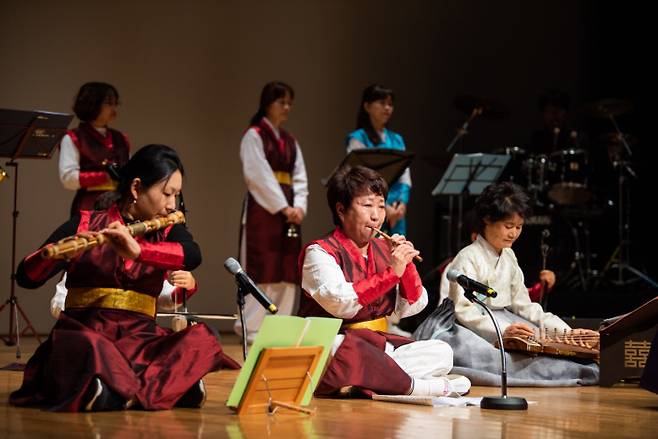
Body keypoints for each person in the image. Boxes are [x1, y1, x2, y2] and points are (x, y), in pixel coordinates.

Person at [10, 144, 239, 412]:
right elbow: (27, 277)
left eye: (176, 195)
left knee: (203, 338)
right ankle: (166, 388)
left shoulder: (167, 230)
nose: (171, 205)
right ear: (136, 188)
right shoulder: (85, 223)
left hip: (142, 339)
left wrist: (140, 250)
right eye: (166, 194)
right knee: (87, 348)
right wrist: (61, 253)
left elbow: (192, 255)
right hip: (88, 331)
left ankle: (113, 393)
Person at [298, 165, 467, 398]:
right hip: (336, 344)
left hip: (377, 345)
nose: (376, 215)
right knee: (343, 349)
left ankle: (371, 380)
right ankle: (416, 386)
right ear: (341, 210)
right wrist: (391, 273)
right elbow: (341, 304)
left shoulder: (383, 249)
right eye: (367, 205)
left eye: (380, 205)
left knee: (442, 351)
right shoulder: (319, 252)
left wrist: (405, 268)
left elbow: (412, 307)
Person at [414, 181, 599, 386]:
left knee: (541, 351)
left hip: (503, 319)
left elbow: (525, 306)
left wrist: (565, 332)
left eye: (518, 227)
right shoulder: (467, 257)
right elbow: (464, 311)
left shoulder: (509, 256)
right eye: (508, 226)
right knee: (508, 362)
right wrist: (503, 332)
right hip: (466, 326)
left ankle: (579, 369)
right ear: (486, 220)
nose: (513, 233)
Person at [234, 81, 308, 342]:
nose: (287, 108)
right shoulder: (254, 135)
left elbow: (300, 176)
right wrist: (284, 206)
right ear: (268, 103)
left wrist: (299, 206)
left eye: (290, 103)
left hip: (288, 210)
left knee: (286, 268)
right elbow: (259, 176)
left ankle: (281, 327)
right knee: (262, 266)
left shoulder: (290, 140)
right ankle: (254, 329)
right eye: (282, 102)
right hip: (263, 210)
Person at [346, 84, 411, 236]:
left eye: (390, 104)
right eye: (382, 103)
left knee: (397, 249)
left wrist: (402, 203)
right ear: (367, 106)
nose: (387, 108)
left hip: (396, 208)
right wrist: (383, 207)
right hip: (371, 208)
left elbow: (405, 178)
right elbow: (358, 179)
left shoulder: (397, 139)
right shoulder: (358, 139)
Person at [59, 82, 131, 217]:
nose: (114, 108)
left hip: (121, 205)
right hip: (89, 208)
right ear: (92, 105)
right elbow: (68, 178)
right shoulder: (74, 137)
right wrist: (105, 177)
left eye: (115, 103)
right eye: (109, 103)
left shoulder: (121, 138)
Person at [50, 270, 199, 319]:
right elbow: (59, 301)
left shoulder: (145, 261)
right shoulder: (82, 261)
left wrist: (187, 286)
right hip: (91, 333)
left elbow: (166, 299)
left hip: (135, 334)